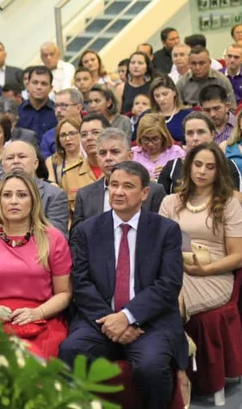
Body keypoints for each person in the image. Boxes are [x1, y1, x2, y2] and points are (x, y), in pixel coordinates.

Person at [60, 162, 186, 408]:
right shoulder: (88, 230)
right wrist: (111, 320)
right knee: (71, 350)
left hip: (150, 320)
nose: (118, 192)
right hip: (100, 319)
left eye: (128, 186)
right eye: (114, 185)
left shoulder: (166, 230)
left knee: (151, 368)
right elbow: (82, 282)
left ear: (145, 193)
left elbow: (168, 285)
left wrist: (128, 317)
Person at [0, 171, 72, 358]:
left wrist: (38, 313)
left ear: (33, 201)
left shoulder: (53, 238)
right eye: (7, 195)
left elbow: (64, 294)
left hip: (43, 319)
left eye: (22, 195)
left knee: (31, 357)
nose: (14, 201)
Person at [159, 142, 242, 320]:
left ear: (218, 172)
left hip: (211, 275)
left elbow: (237, 258)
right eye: (197, 165)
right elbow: (159, 245)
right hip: (173, 270)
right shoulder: (169, 202)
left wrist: (205, 270)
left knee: (161, 304)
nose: (202, 171)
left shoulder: (229, 204)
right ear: (189, 166)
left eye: (210, 167)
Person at [71, 129, 166, 230]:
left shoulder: (153, 191)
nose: (108, 158)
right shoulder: (84, 195)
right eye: (103, 153)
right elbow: (76, 238)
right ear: (97, 158)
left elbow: (160, 233)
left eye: (115, 152)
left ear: (130, 156)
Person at [0, 140, 68, 235]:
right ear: (3, 166)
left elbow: (57, 237)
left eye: (22, 157)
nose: (16, 161)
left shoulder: (55, 195)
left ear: (35, 163)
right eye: (10, 158)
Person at [155, 112, 242, 203]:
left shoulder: (227, 165)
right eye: (190, 133)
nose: (195, 138)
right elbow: (160, 204)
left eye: (201, 132)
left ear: (212, 135)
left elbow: (237, 203)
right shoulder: (172, 167)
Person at [54, 116, 95, 214]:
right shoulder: (53, 161)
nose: (68, 138)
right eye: (63, 135)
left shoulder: (93, 160)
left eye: (72, 133)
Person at [131, 113, 185, 181]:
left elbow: (185, 179)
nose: (150, 144)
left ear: (163, 137)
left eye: (155, 139)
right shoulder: (132, 154)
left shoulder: (177, 153)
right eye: (145, 139)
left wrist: (169, 172)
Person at [39, 88, 83, 158]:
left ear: (78, 108)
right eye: (56, 106)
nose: (58, 110)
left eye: (63, 105)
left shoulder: (91, 130)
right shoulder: (48, 137)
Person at [146, 76, 190, 144]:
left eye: (165, 94)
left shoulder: (188, 115)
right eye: (157, 96)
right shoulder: (146, 116)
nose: (161, 99)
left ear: (174, 92)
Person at [18, 66, 56, 141]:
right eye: (35, 83)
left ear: (51, 88)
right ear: (28, 85)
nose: (39, 87)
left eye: (44, 84)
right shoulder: (17, 112)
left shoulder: (57, 113)